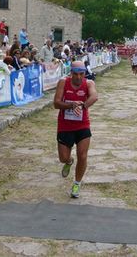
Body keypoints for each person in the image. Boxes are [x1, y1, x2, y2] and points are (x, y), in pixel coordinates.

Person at [54, 61, 98, 198]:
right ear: (71, 73)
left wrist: (82, 106)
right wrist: (71, 105)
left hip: (82, 125)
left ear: (85, 73)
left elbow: (94, 97)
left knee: (83, 155)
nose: (78, 77)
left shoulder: (89, 83)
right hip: (65, 125)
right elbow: (56, 103)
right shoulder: (63, 82)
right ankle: (68, 162)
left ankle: (77, 183)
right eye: (75, 74)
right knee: (63, 157)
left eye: (81, 74)